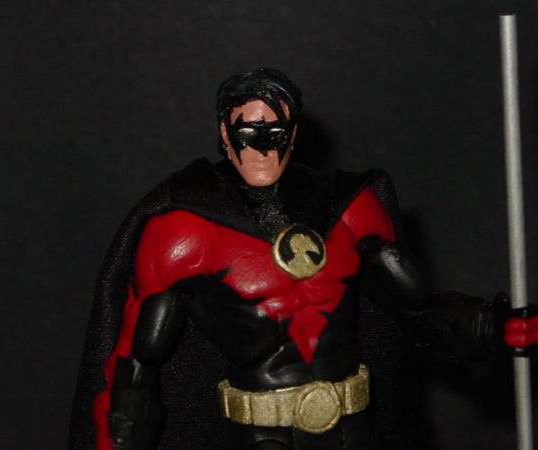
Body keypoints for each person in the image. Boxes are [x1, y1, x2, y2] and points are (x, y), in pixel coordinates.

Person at [70, 68, 537, 450]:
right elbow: (135, 366)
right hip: (262, 433)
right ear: (224, 134)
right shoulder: (186, 229)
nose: (262, 146)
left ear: (293, 134)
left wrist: (492, 326)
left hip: (353, 426)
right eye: (248, 131)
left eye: (275, 131)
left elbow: (419, 310)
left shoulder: (349, 210)